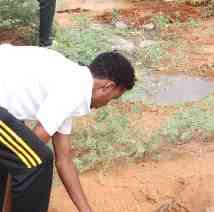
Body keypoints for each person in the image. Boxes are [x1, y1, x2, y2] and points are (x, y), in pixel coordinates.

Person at [0, 46, 135, 212]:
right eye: (113, 98)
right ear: (107, 86)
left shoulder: (72, 80)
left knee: (19, 144)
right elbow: (26, 157)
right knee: (38, 159)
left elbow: (64, 161)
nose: (107, 104)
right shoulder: (73, 90)